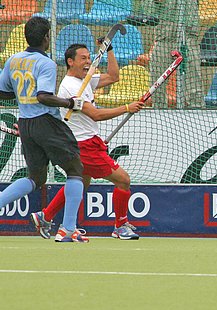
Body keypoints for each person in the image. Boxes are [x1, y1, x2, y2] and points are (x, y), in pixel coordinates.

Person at [30, 43, 145, 241]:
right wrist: (127, 107)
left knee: (79, 184)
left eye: (89, 57)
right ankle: (120, 225)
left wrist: (109, 50)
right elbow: (96, 115)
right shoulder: (72, 87)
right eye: (83, 58)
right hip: (84, 145)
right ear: (70, 61)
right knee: (123, 180)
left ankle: (45, 216)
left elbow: (113, 77)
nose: (88, 61)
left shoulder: (84, 81)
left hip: (85, 142)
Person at [0, 17, 87, 243]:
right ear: (47, 37)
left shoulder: (14, 60)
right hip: (46, 122)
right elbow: (44, 97)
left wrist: (22, 97)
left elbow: (3, 92)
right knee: (75, 169)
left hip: (27, 124)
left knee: (35, 178)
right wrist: (70, 103)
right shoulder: (45, 62)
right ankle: (68, 229)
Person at [150, 0, 204, 108]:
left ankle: (197, 110)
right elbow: (149, 9)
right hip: (164, 38)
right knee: (156, 81)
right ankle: (158, 110)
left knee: (194, 84)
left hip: (188, 38)